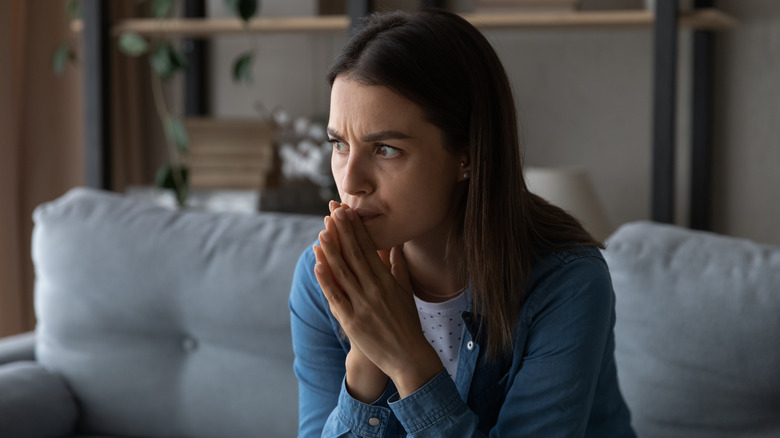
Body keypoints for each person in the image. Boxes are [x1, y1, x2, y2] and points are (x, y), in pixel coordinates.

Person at [289, 8, 636, 437]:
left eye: (386, 149)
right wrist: (364, 360)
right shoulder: (320, 276)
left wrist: (406, 359)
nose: (351, 180)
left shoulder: (565, 283)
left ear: (467, 155)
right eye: (340, 144)